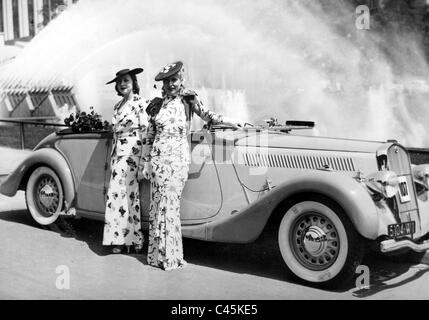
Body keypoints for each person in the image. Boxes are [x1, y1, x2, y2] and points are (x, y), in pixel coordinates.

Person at [142, 61, 238, 270]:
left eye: (174, 80)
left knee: (171, 206)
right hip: (158, 160)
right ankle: (157, 256)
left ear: (181, 79)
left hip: (178, 161)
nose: (170, 85)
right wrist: (146, 162)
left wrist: (230, 121)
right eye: (166, 82)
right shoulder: (156, 104)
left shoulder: (189, 100)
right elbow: (149, 137)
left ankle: (171, 257)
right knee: (158, 205)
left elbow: (207, 115)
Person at [102, 68, 148, 254]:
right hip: (117, 156)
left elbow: (145, 133)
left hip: (132, 156)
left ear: (133, 82)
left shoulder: (140, 103)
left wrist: (144, 163)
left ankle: (135, 239)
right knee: (116, 198)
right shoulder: (117, 106)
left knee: (130, 196)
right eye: (120, 81)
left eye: (126, 80)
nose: (123, 84)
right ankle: (118, 239)